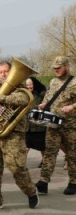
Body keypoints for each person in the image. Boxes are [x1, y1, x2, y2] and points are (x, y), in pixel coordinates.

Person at [0, 60, 39, 210]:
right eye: (0, 72)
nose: (3, 74)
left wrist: (0, 98)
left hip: (13, 135)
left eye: (6, 71)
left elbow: (24, 99)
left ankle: (31, 191)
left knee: (16, 167)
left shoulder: (21, 89)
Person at [35, 56, 76, 195]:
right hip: (53, 123)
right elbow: (48, 98)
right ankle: (43, 182)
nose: (56, 70)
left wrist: (72, 106)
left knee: (72, 154)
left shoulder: (74, 82)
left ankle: (73, 182)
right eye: (54, 68)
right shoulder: (53, 82)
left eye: (59, 68)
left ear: (67, 67)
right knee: (50, 152)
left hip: (70, 125)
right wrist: (43, 104)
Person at [25, 77, 47, 168]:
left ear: (35, 84)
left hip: (39, 125)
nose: (29, 87)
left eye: (31, 85)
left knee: (42, 146)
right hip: (28, 125)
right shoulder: (26, 93)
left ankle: (45, 162)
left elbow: (47, 103)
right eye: (27, 86)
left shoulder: (42, 93)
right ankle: (21, 164)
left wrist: (41, 106)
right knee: (26, 145)